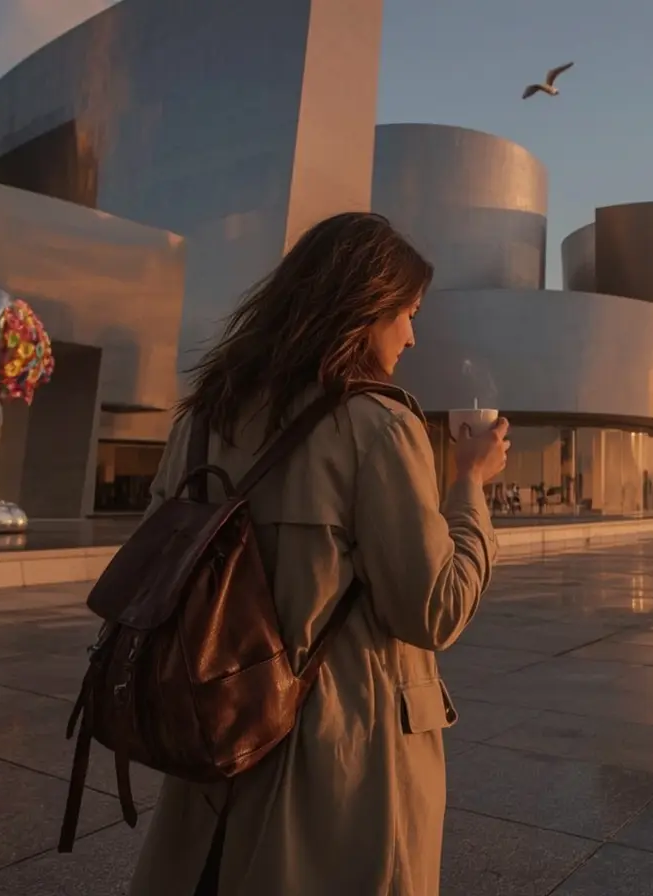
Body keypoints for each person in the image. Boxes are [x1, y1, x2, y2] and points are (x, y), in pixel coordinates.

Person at [128, 212, 509, 896]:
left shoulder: (201, 418)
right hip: (340, 759)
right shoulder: (376, 425)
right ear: (364, 308)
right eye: (407, 314)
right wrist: (469, 487)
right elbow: (433, 611)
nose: (412, 336)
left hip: (211, 734)